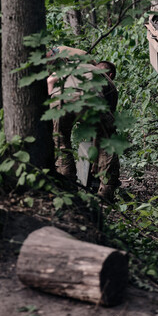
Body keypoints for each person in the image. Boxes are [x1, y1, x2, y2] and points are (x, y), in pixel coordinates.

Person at [47, 46, 120, 200]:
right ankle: (106, 194)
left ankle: (69, 191)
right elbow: (103, 134)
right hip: (91, 98)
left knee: (61, 144)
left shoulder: (69, 67)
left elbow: (50, 81)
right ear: (110, 75)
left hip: (60, 98)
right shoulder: (108, 83)